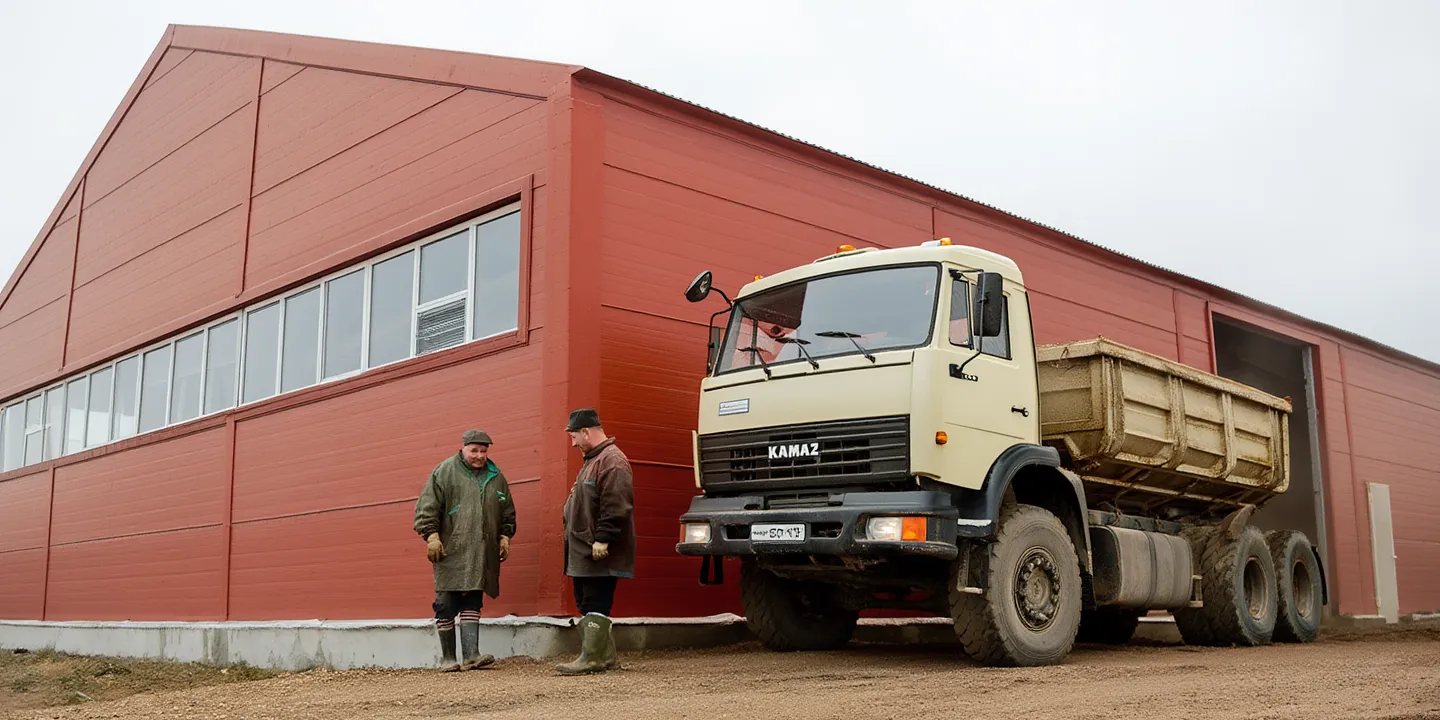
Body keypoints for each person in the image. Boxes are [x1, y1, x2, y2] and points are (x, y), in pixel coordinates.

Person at [413, 429, 516, 672]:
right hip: (451, 549)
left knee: (473, 599)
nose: (479, 456)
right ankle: (448, 658)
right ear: (463, 448)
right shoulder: (444, 471)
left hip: (481, 551)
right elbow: (427, 506)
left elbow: (507, 510)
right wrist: (431, 536)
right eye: (474, 451)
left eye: (483, 451)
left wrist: (505, 536)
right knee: (446, 602)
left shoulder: (496, 476)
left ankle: (471, 655)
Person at [555, 408, 635, 675]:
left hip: (598, 548)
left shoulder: (612, 460)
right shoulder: (594, 460)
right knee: (586, 600)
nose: (573, 443)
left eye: (574, 436)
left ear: (586, 432)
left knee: (595, 601)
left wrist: (603, 538)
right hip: (585, 547)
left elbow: (617, 504)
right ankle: (606, 657)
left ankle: (592, 659)